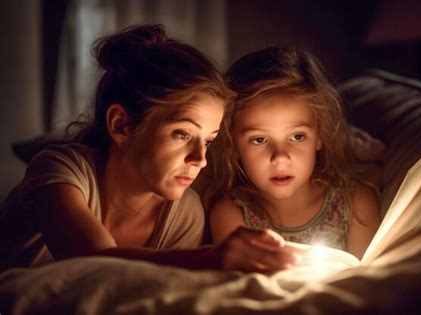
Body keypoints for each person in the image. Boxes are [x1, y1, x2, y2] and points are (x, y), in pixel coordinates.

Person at [0, 25, 300, 272]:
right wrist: (208, 258)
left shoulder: (185, 214)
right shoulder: (60, 170)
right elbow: (89, 263)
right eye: (182, 134)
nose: (200, 159)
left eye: (208, 141)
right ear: (121, 126)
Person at [210, 47, 380, 259]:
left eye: (297, 137)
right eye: (259, 139)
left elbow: (368, 285)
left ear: (319, 136)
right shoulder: (231, 215)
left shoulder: (356, 204)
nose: (280, 157)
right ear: (232, 144)